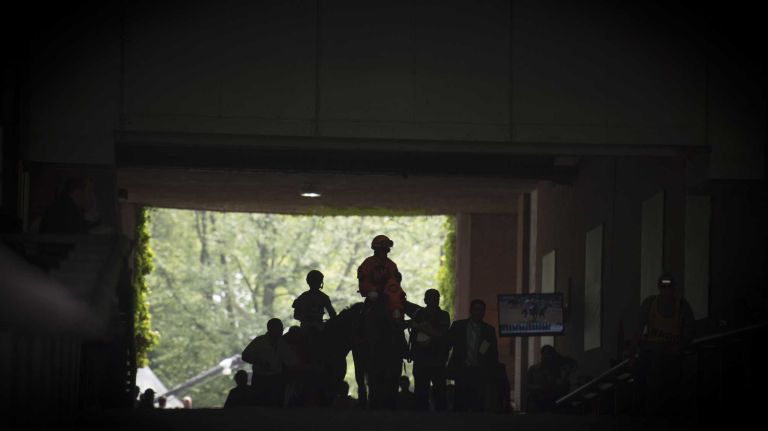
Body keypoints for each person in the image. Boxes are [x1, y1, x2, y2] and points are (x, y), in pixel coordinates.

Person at [629, 274, 695, 417]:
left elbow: (690, 332)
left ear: (674, 288)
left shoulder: (682, 306)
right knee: (642, 389)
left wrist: (680, 346)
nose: (666, 290)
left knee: (666, 394)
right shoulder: (650, 303)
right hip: (650, 354)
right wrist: (632, 355)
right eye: (663, 286)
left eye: (669, 286)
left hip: (671, 356)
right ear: (659, 287)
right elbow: (638, 331)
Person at [447, 298, 499, 412]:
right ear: (471, 310)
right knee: (460, 402)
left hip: (479, 370)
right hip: (461, 368)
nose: (479, 312)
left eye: (481, 310)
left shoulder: (489, 330)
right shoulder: (458, 326)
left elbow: (493, 352)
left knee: (478, 402)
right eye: (476, 309)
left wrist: (492, 372)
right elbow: (448, 344)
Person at [242, 318, 300, 407]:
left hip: (276, 380)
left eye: (281, 328)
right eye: (280, 328)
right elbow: (245, 356)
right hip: (260, 379)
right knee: (259, 405)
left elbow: (292, 361)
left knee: (275, 406)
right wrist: (259, 362)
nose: (282, 330)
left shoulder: (282, 344)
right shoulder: (259, 341)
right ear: (271, 328)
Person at [409, 288, 450, 411]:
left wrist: (419, 326)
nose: (433, 300)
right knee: (421, 392)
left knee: (439, 392)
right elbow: (413, 336)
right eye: (431, 298)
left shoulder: (443, 315)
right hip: (421, 359)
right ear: (425, 300)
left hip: (438, 359)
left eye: (435, 298)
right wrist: (412, 351)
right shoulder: (418, 314)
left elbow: (440, 335)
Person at [357, 235, 405, 319]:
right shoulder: (368, 263)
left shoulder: (391, 265)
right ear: (377, 248)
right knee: (373, 296)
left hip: (388, 293)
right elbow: (364, 281)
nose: (385, 250)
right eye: (384, 246)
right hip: (374, 292)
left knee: (400, 299)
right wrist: (374, 289)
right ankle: (363, 319)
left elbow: (395, 283)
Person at [526, 345, 577, 412]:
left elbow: (562, 387)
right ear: (542, 355)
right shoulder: (533, 369)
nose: (548, 356)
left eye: (550, 354)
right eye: (546, 354)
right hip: (537, 403)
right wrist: (539, 388)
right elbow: (526, 386)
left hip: (554, 403)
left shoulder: (556, 370)